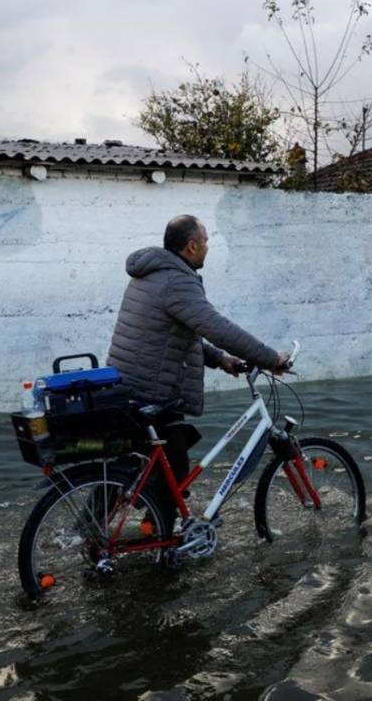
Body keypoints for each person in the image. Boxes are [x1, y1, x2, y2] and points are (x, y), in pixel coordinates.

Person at [106, 214, 287, 520]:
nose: (207, 247)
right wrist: (270, 359)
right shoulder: (177, 280)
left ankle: (97, 530)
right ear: (191, 246)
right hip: (152, 391)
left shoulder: (151, 273)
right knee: (171, 472)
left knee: (143, 466)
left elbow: (174, 334)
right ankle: (164, 547)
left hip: (129, 387)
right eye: (205, 241)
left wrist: (219, 360)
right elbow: (217, 327)